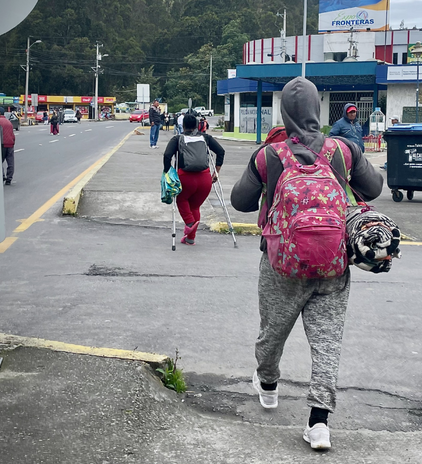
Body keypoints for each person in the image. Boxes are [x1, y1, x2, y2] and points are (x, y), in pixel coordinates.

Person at [230, 77, 383, 451]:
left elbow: (240, 202)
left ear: (284, 111)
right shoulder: (342, 151)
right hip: (333, 265)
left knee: (272, 334)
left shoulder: (268, 155)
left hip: (280, 264)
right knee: (327, 344)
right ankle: (319, 424)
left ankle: (267, 385)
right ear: (318, 110)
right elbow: (374, 188)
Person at [162, 114, 225, 245]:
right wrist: (216, 172)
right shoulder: (205, 138)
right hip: (205, 179)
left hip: (186, 178)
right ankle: (190, 238)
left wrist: (168, 173)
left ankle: (189, 222)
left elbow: (167, 156)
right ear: (197, 126)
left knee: (181, 199)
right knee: (195, 207)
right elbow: (221, 151)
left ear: (183, 125)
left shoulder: (177, 139)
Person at [0, 107, 16, 185]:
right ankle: (9, 179)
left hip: (1, 144)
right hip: (10, 144)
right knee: (10, 162)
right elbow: (12, 135)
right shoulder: (8, 122)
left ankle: (2, 176)